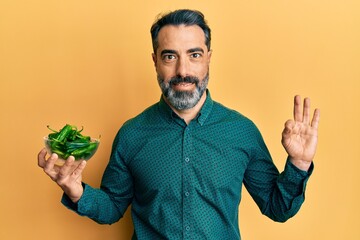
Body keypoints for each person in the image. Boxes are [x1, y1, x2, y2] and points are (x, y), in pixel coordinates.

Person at [38, 9, 320, 240]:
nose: (183, 70)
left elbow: (277, 207)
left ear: (208, 57)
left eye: (194, 55)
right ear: (155, 62)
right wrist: (76, 190)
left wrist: (298, 165)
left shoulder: (241, 132)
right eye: (170, 56)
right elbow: (112, 207)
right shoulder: (132, 134)